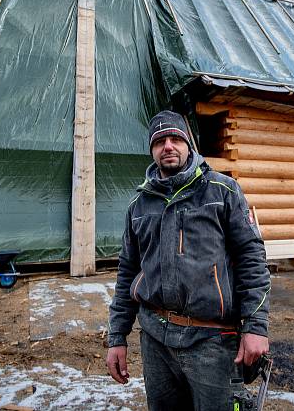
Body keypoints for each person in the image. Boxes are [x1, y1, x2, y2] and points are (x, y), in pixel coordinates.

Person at [106, 110, 271, 410]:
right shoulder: (138, 205)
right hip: (155, 340)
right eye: (159, 142)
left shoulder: (222, 190)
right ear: (152, 151)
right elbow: (127, 271)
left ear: (189, 144)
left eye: (175, 139)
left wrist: (255, 327)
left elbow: (251, 258)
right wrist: (117, 336)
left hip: (212, 341)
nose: (167, 146)